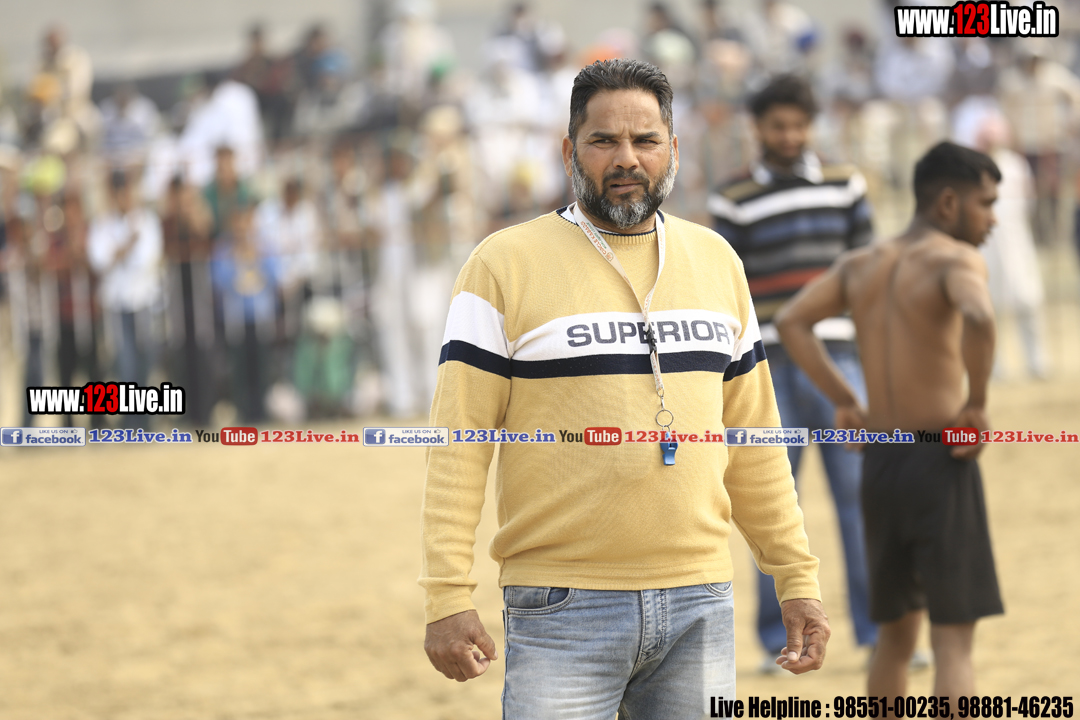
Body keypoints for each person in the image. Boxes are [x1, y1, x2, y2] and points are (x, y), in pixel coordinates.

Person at [421, 59, 829, 719]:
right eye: (603, 140)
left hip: (702, 600)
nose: (626, 159)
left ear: (674, 148)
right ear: (568, 151)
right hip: (560, 608)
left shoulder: (717, 262)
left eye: (645, 140)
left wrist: (796, 577)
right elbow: (459, 445)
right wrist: (446, 595)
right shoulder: (502, 265)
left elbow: (755, 441)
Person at [774, 141, 1004, 701]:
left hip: (880, 464)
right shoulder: (955, 260)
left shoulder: (861, 264)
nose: (993, 219)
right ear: (948, 202)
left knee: (894, 642)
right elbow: (978, 314)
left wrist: (844, 399)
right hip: (941, 457)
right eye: (986, 204)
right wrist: (976, 403)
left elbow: (792, 320)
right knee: (953, 644)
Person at [709, 73, 878, 672]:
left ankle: (879, 635)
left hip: (841, 365)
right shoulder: (732, 197)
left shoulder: (845, 184)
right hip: (767, 371)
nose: (789, 135)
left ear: (812, 126)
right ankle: (772, 641)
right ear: (757, 128)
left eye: (799, 125)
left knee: (861, 500)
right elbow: (726, 290)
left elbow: (870, 280)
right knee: (769, 507)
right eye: (778, 125)